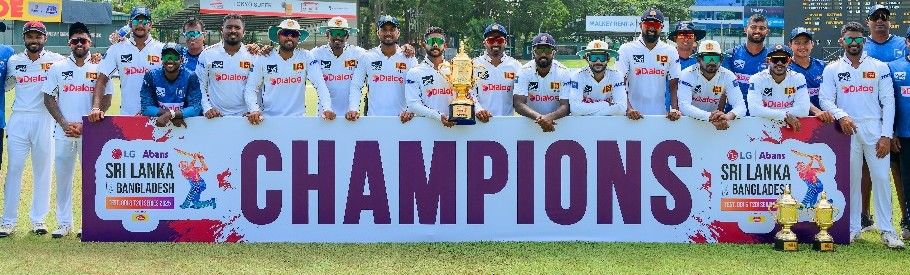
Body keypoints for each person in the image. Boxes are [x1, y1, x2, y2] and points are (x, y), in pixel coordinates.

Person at [820, 22, 903, 248]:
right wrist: (841, 115)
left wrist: (886, 134)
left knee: (881, 178)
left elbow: (888, 102)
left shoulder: (879, 67)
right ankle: (853, 228)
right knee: (852, 179)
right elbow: (825, 99)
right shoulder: (832, 68)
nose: (854, 43)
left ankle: (888, 230)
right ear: (842, 41)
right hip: (847, 130)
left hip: (875, 129)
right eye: (849, 39)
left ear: (863, 41)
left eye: (857, 39)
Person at [40, 22, 109, 238]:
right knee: (63, 179)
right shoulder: (58, 67)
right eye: (75, 40)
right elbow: (48, 97)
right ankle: (63, 223)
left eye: (84, 40)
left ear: (90, 42)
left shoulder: (100, 67)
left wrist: (87, 123)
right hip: (64, 132)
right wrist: (63, 123)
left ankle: (87, 223)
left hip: (90, 133)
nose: (79, 44)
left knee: (91, 179)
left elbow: (107, 98)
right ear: (69, 43)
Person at [0, 21, 65, 237]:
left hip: (45, 119)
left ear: (45, 39)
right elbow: (7, 84)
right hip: (19, 118)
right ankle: (8, 221)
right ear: (24, 39)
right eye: (30, 36)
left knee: (43, 171)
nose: (34, 40)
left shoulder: (56, 60)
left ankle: (38, 220)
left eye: (38, 36)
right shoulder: (13, 61)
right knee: (14, 169)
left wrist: (93, 57)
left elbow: (76, 64)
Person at [245, 19, 333, 124]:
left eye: (294, 34)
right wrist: (254, 109)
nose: (289, 37)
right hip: (269, 120)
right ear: (278, 36)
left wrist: (327, 108)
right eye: (285, 33)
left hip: (297, 120)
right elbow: (251, 87)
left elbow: (320, 84)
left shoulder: (306, 56)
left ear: (298, 38)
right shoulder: (264, 57)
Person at [89, 7, 163, 121]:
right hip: (128, 116)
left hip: (157, 117)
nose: (140, 25)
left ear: (150, 25)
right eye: (136, 21)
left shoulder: (161, 49)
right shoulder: (117, 49)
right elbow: (102, 79)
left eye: (144, 21)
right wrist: (95, 108)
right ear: (130, 24)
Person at [347, 15, 418, 122]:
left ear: (398, 33)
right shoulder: (367, 56)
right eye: (384, 30)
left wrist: (410, 110)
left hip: (403, 120)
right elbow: (356, 85)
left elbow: (416, 87)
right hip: (374, 120)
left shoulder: (409, 58)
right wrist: (353, 108)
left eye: (392, 30)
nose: (388, 33)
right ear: (378, 32)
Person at [616, 8, 682, 120]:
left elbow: (674, 85)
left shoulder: (670, 51)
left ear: (662, 27)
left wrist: (674, 108)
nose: (651, 28)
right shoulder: (626, 49)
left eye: (656, 25)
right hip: (632, 116)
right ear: (640, 25)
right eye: (647, 24)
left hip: (660, 116)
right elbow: (619, 83)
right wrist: (628, 108)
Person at [197, 14, 255, 118]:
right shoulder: (207, 54)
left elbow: (256, 87)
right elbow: (201, 84)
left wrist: (253, 109)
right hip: (216, 117)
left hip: (245, 117)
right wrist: (207, 108)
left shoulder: (253, 55)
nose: (233, 30)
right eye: (228, 27)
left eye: (237, 27)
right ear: (222, 30)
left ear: (244, 32)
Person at [678, 40, 744, 130]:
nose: (712, 62)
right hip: (690, 123)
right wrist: (710, 117)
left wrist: (727, 116)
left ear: (721, 60)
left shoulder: (728, 75)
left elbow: (741, 106)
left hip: (715, 125)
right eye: (707, 58)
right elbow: (684, 106)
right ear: (698, 59)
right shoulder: (687, 74)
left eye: (715, 58)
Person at [513, 32, 570, 132]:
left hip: (558, 124)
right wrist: (541, 119)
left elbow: (566, 105)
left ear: (554, 53)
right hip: (530, 124)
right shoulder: (524, 71)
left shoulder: (563, 72)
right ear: (533, 52)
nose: (543, 54)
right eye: (539, 50)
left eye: (547, 50)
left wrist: (549, 118)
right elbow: (518, 103)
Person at [311, 17, 367, 116]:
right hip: (324, 114)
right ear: (327, 35)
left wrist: (402, 49)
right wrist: (273, 51)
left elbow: (378, 56)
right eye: (334, 33)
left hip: (350, 115)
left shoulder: (359, 53)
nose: (338, 37)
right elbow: (295, 56)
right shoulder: (316, 54)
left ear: (347, 36)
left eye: (341, 33)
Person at [747, 44, 810, 130]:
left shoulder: (798, 78)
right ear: (767, 61)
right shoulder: (757, 79)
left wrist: (768, 113)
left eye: (783, 60)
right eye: (775, 59)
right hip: (762, 129)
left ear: (789, 61)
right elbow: (754, 109)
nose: (779, 63)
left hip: (790, 128)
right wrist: (784, 116)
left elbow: (803, 110)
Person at [404, 27, 457, 127]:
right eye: (431, 41)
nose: (435, 45)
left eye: (439, 41)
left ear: (445, 45)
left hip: (455, 130)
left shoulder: (454, 70)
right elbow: (413, 105)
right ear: (424, 45)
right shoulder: (415, 72)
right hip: (426, 130)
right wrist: (438, 116)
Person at [140, 43, 202, 127]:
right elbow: (145, 107)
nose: (169, 60)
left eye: (174, 57)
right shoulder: (151, 75)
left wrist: (171, 115)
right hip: (158, 126)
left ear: (181, 59)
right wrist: (172, 115)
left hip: (186, 126)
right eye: (166, 56)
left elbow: (196, 108)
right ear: (161, 59)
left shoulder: (190, 76)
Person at [470, 23, 521, 120]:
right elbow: (468, 91)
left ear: (505, 42)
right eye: (491, 40)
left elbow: (520, 96)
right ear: (484, 43)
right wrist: (478, 109)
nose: (495, 44)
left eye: (500, 40)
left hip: (506, 123)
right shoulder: (474, 65)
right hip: (481, 122)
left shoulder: (516, 66)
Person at [888, 26, 910, 240]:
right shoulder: (894, 67)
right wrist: (892, 132)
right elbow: (888, 103)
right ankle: (909, 223)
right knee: (907, 180)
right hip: (904, 134)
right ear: (907, 42)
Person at [724, 14, 771, 115]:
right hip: (734, 115)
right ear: (745, 30)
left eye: (762, 28)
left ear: (767, 32)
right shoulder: (730, 54)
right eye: (753, 27)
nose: (757, 31)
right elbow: (723, 88)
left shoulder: (772, 58)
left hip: (762, 116)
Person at [569, 39, 627, 116]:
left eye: (602, 57)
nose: (598, 61)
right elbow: (575, 109)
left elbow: (621, 109)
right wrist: (605, 104)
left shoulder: (616, 75)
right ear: (587, 58)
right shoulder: (577, 76)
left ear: (608, 58)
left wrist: (587, 111)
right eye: (594, 57)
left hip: (608, 123)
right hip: (583, 124)